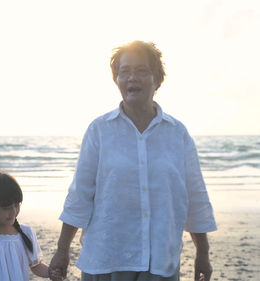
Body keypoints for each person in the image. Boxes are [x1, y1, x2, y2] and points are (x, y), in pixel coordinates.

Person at [49, 41, 217, 281]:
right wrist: (62, 250)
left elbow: (195, 196)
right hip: (107, 259)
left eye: (142, 71)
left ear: (158, 79)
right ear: (116, 80)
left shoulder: (177, 133)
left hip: (161, 262)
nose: (132, 78)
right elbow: (80, 195)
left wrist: (203, 253)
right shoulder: (99, 130)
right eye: (124, 72)